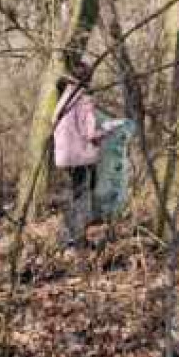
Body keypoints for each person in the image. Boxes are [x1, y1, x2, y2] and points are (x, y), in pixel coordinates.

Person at [53, 61, 112, 245]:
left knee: (74, 195)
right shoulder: (84, 99)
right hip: (80, 157)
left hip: (64, 156)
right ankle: (77, 239)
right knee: (84, 195)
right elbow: (90, 133)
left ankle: (71, 237)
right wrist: (107, 131)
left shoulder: (64, 97)